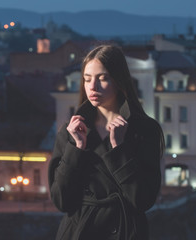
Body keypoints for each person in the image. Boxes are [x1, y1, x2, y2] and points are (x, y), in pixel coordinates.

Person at [48, 44, 164, 240]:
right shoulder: (70, 131)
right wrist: (76, 149)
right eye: (87, 79)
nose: (92, 87)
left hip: (125, 230)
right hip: (79, 231)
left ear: (119, 81)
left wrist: (119, 148)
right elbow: (61, 201)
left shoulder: (145, 130)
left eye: (102, 78)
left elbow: (143, 200)